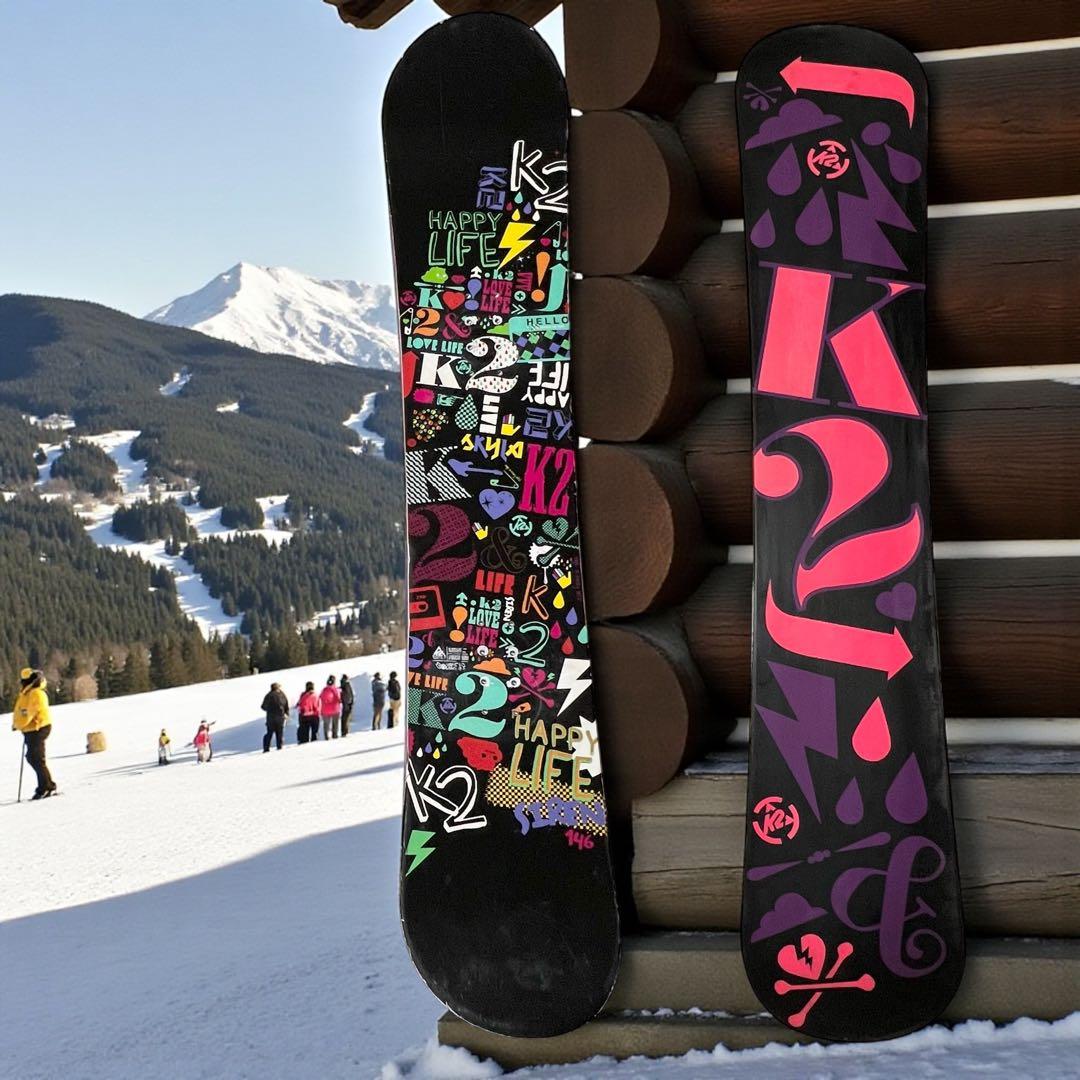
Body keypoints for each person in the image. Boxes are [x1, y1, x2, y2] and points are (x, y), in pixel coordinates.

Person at [12, 668, 56, 799]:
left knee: (36, 758)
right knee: (33, 758)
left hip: (38, 728)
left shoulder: (36, 693)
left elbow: (29, 713)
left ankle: (47, 787)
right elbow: (20, 712)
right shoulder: (27, 693)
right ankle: (46, 786)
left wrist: (18, 724)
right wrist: (17, 723)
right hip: (30, 730)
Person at [261, 682, 289, 752]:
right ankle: (279, 747)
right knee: (279, 733)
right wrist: (286, 714)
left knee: (269, 733)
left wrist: (270, 710)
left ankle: (266, 748)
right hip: (280, 717)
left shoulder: (269, 695)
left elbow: (263, 706)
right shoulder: (282, 695)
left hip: (271, 718)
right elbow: (286, 705)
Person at [319, 675, 342, 740]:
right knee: (335, 723)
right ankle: (334, 735)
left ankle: (326, 736)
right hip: (335, 709)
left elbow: (320, 697)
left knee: (326, 724)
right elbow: (339, 699)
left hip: (325, 710)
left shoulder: (324, 689)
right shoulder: (335, 689)